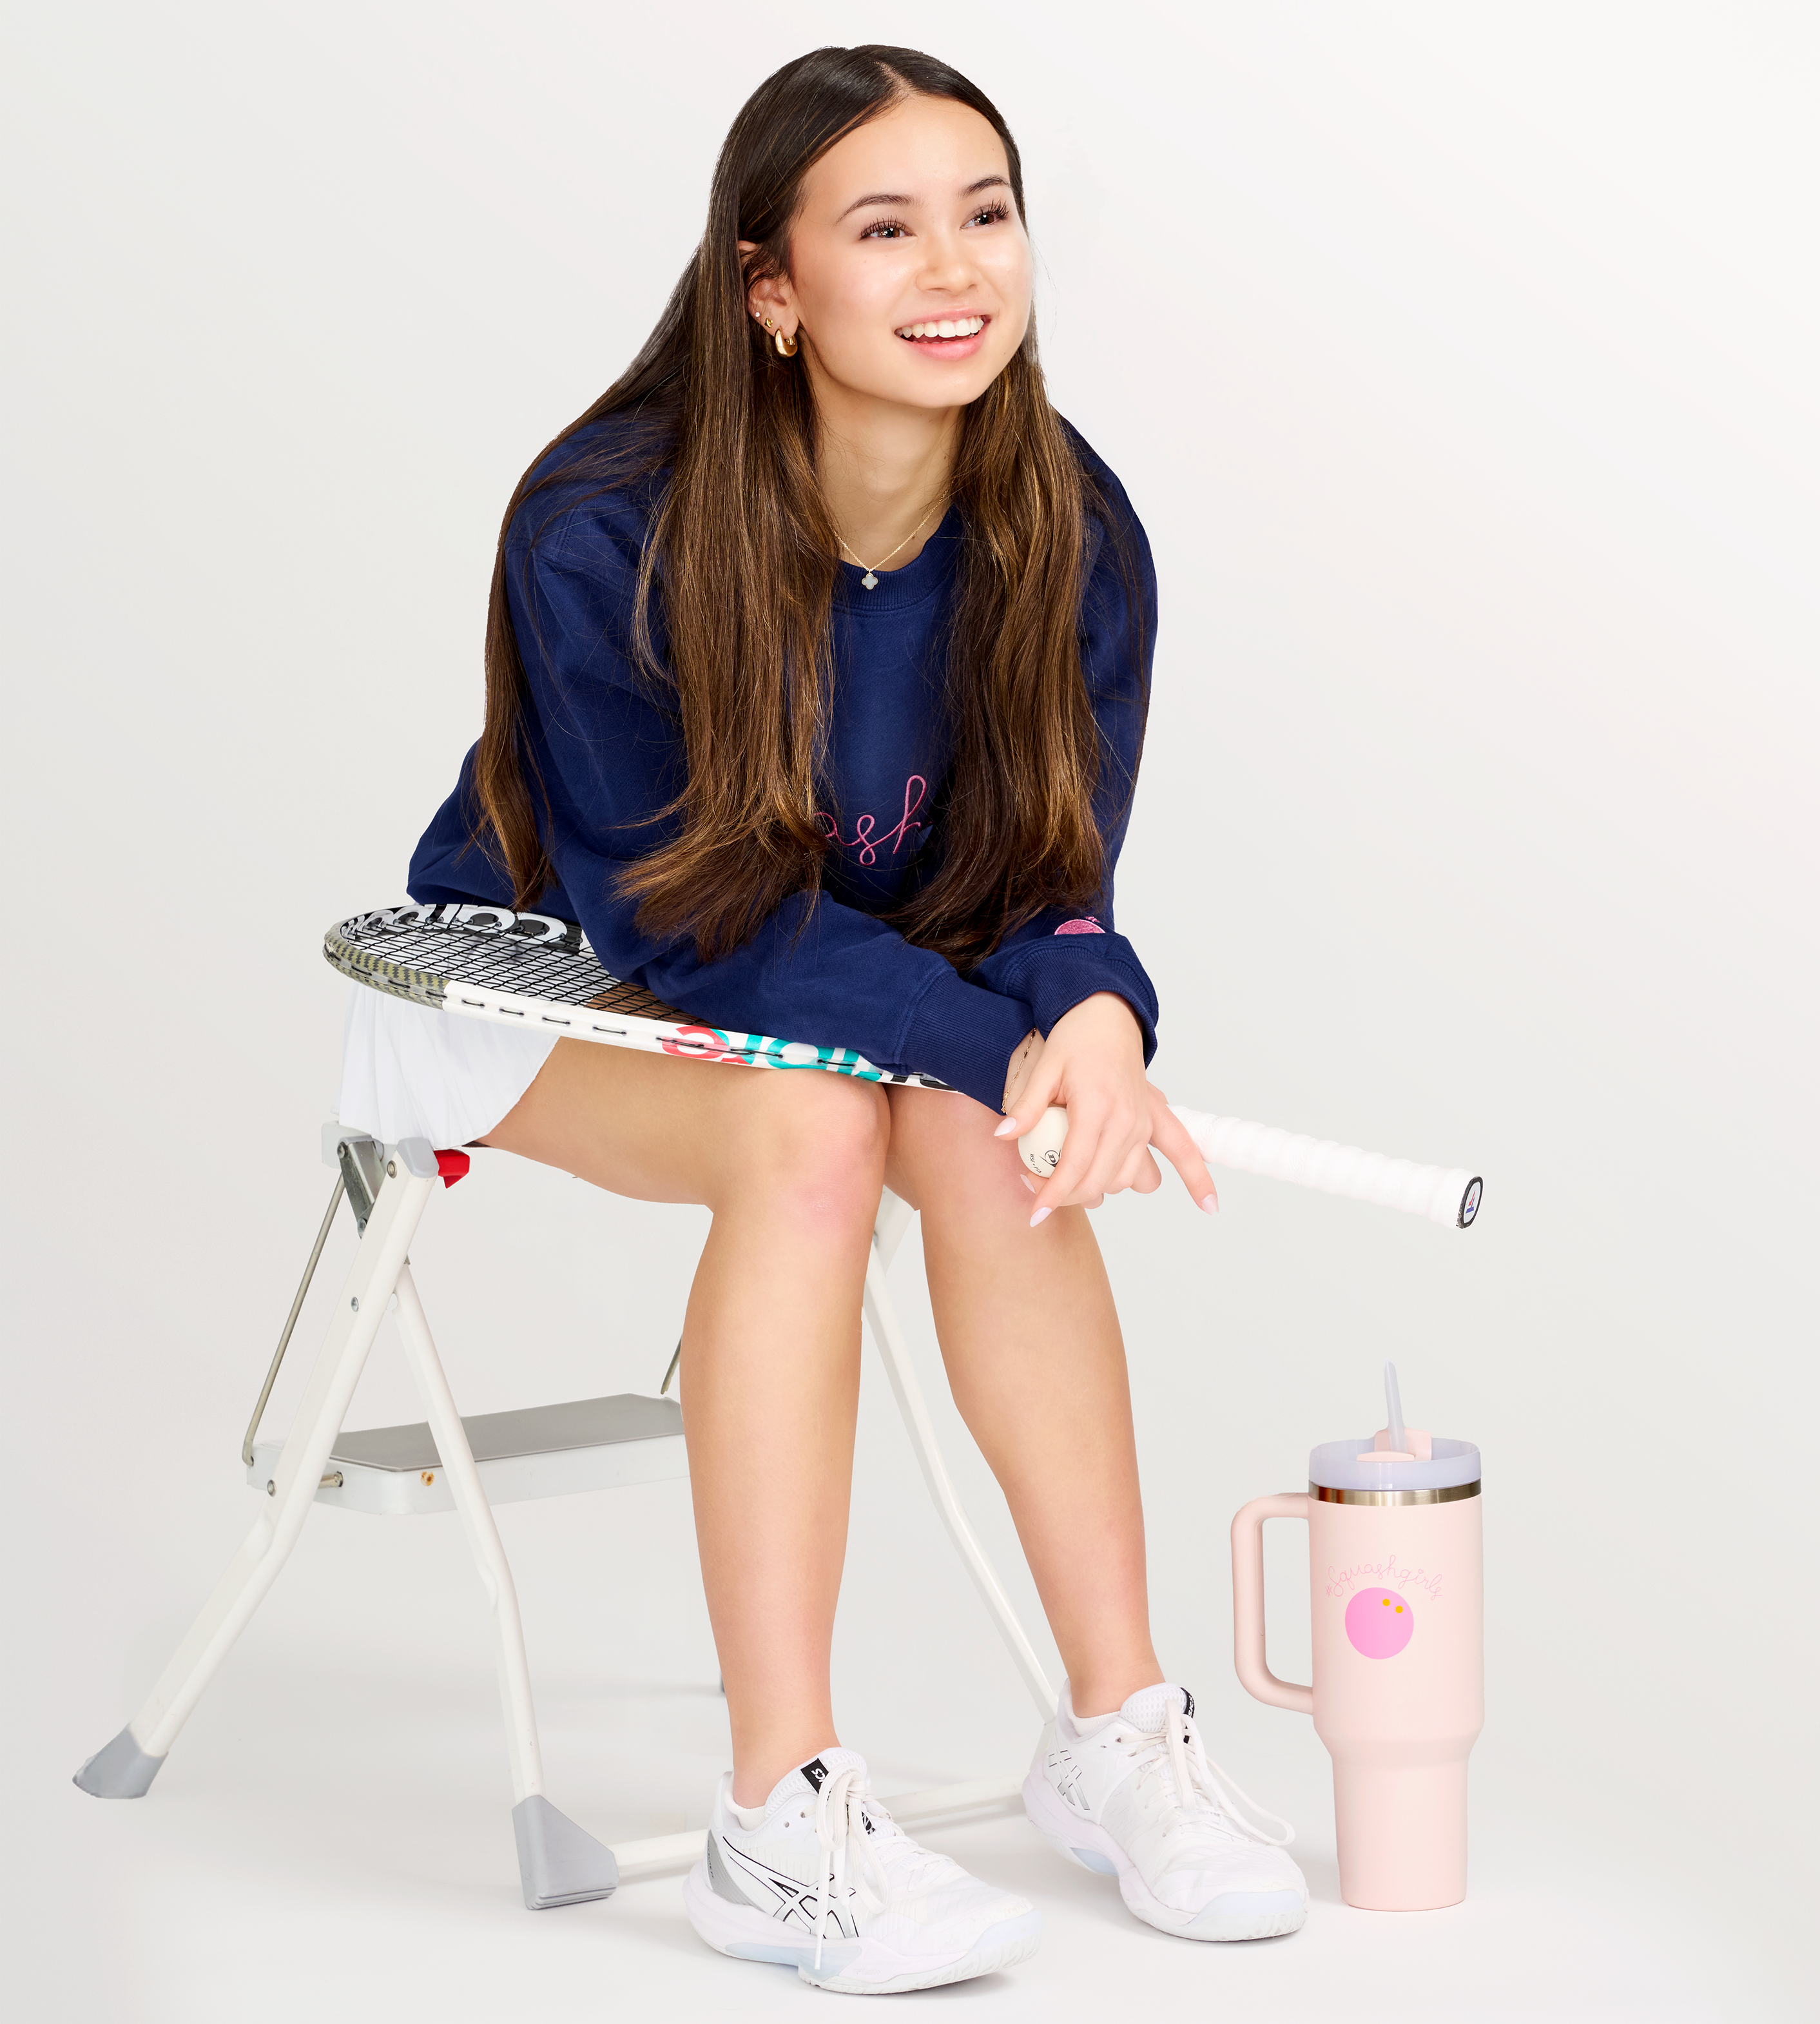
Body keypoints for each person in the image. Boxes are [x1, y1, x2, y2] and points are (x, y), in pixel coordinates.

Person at [337, 43, 1306, 1995]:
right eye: (884, 227)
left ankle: (1115, 1731)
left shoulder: (1068, 521)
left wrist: (1093, 1023)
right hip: (547, 977)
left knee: (970, 1125)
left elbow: (1045, 877)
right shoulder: (602, 521)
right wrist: (996, 1033)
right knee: (827, 1120)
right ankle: (776, 1815)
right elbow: (693, 921)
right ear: (770, 287)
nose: (954, 266)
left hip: (845, 994)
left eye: (986, 211)